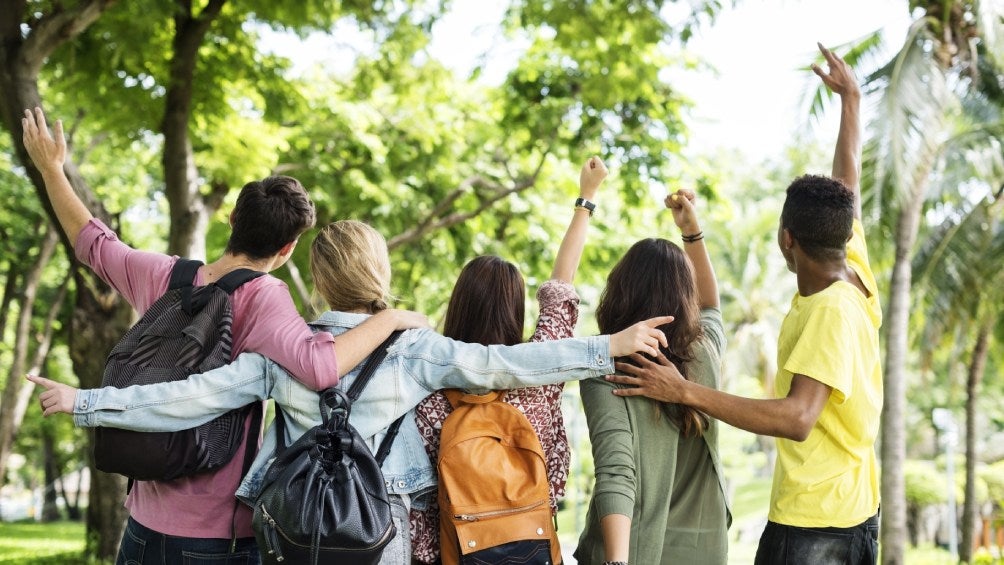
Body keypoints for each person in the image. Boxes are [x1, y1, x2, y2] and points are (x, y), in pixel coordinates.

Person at [29, 219, 673, 565]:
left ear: (317, 281)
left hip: (291, 529)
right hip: (380, 531)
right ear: (380, 274)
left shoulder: (283, 352)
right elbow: (512, 364)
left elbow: (188, 397)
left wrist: (86, 401)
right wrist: (607, 347)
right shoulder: (415, 348)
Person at [21, 107, 423, 564]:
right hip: (214, 537)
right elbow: (321, 366)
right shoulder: (266, 297)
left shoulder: (164, 275)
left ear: (231, 219)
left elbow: (94, 243)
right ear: (288, 247)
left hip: (141, 526)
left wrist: (52, 169)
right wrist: (391, 319)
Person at [607, 44, 882, 565]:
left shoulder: (829, 312)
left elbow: (798, 416)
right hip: (853, 511)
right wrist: (851, 101)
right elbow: (847, 183)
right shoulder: (851, 262)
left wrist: (684, 389)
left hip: (816, 526)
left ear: (786, 240)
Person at [410, 156, 609, 563]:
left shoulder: (426, 389)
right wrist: (585, 199)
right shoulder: (540, 375)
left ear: (458, 305)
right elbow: (561, 287)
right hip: (530, 547)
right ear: (514, 311)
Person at [573, 187, 730, 565]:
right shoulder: (704, 351)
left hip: (634, 552)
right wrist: (692, 232)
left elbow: (616, 474)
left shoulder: (607, 366)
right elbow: (710, 305)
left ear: (620, 291)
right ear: (684, 296)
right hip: (704, 550)